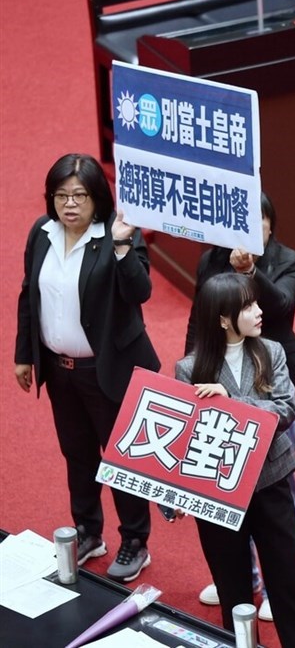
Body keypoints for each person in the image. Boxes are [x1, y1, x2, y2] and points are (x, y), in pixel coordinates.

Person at [14, 153, 160, 582]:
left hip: (109, 369)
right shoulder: (41, 233)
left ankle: (135, 541)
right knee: (76, 453)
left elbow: (140, 291)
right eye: (61, 196)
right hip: (59, 369)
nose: (70, 205)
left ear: (98, 197)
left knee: (121, 458)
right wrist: (25, 353)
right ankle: (88, 531)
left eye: (79, 195)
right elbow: (29, 294)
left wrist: (121, 248)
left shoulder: (117, 234)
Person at [184, 191, 295, 621]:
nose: (246, 228)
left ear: (270, 223)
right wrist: (192, 372)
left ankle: (282, 580)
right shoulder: (212, 258)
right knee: (226, 482)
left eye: (256, 219)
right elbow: (199, 317)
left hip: (269, 383)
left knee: (278, 487)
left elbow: (281, 305)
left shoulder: (291, 261)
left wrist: (249, 273)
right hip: (216, 381)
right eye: (238, 218)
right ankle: (246, 578)